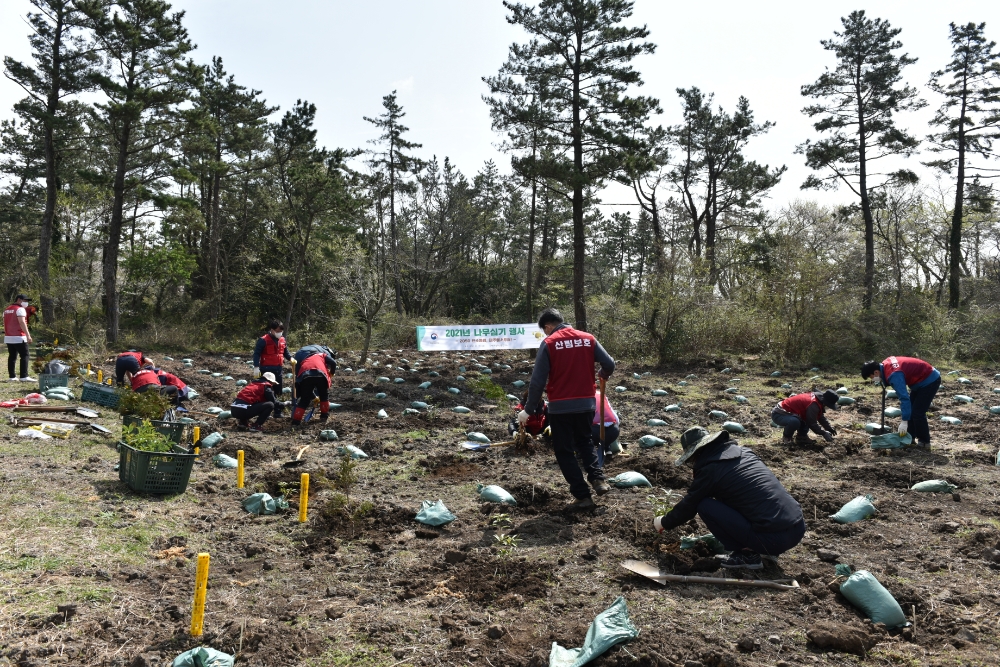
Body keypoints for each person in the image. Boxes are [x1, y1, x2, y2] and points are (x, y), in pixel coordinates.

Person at [653, 426, 806, 570]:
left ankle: (747, 555)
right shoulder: (745, 452)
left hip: (773, 539)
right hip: (798, 528)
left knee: (704, 505)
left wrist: (663, 522)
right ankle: (764, 550)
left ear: (697, 453)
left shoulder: (710, 469)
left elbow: (690, 505)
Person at [520, 307, 615, 510]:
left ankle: (582, 496)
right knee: (585, 442)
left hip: (561, 407)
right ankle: (598, 479)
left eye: (545, 330)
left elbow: (537, 383)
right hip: (587, 404)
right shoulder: (587, 338)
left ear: (547, 327)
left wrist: (528, 410)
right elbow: (609, 363)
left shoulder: (549, 343)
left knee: (564, 450)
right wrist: (603, 373)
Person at [862, 356, 941, 450]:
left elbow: (904, 398)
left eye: (871, 377)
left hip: (929, 380)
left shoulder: (894, 375)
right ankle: (909, 438)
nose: (872, 379)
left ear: (876, 372)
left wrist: (904, 421)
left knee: (917, 413)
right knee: (912, 411)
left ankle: (924, 443)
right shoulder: (884, 365)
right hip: (919, 380)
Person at [771, 389, 839, 446]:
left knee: (806, 417)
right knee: (795, 422)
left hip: (791, 413)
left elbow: (819, 416)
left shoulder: (817, 401)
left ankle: (801, 437)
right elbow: (811, 423)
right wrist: (823, 433)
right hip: (779, 414)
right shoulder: (813, 404)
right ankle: (787, 437)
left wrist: (829, 428)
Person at [253, 320, 292, 417]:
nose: (280, 333)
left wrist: (291, 358)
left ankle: (277, 412)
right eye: (278, 331)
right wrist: (256, 367)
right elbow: (256, 354)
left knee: (278, 391)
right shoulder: (263, 340)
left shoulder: (282, 340)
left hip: (278, 369)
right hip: (266, 369)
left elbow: (285, 353)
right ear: (272, 330)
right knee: (266, 391)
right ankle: (264, 411)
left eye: (281, 331)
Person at [292, 346, 337, 425]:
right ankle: (324, 416)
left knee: (304, 400)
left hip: (305, 375)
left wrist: (314, 397)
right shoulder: (322, 355)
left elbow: (307, 387)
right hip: (320, 374)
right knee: (324, 396)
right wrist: (332, 373)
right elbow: (333, 362)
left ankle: (296, 421)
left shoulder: (305, 360)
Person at [4, 293, 35, 382]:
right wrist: (28, 335)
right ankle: (23, 376)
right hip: (19, 336)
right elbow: (22, 322)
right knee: (25, 355)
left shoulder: (7, 309)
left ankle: (12, 376)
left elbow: (5, 322)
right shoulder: (20, 309)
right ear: (19, 300)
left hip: (9, 337)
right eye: (25, 301)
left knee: (12, 356)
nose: (26, 303)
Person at [592, 388, 621, 466]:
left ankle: (582, 452)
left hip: (595, 433)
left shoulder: (583, 397)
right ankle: (607, 448)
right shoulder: (601, 394)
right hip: (614, 430)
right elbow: (616, 419)